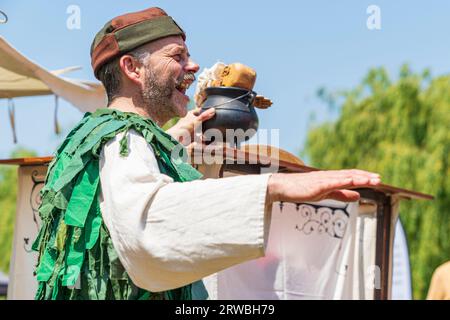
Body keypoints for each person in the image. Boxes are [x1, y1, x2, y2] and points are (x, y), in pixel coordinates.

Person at [32, 7, 381, 300]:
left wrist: (175, 139)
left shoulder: (103, 135)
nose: (194, 66)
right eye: (177, 56)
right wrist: (272, 187)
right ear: (132, 68)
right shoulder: (123, 141)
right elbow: (149, 226)